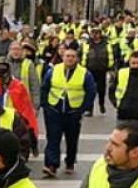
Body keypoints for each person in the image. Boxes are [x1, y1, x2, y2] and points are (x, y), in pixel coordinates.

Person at [39, 45, 96, 177]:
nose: (70, 59)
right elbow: (45, 87)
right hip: (54, 110)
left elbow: (91, 92)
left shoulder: (84, 73)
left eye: (72, 56)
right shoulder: (53, 70)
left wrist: (83, 109)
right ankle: (51, 165)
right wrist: (45, 105)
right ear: (63, 57)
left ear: (76, 59)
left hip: (73, 112)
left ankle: (70, 161)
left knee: (71, 139)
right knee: (53, 138)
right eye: (67, 56)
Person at [81, 29, 114, 116]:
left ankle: (101, 103)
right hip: (89, 70)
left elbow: (111, 56)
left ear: (100, 34)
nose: (95, 35)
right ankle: (89, 109)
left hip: (102, 70)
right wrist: (83, 67)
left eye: (97, 33)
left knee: (101, 89)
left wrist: (110, 67)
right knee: (89, 90)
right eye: (93, 33)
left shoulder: (107, 44)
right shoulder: (86, 44)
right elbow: (82, 55)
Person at [6, 40, 41, 109]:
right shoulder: (5, 63)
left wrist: (36, 105)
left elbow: (34, 86)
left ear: (22, 51)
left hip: (25, 102)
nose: (15, 51)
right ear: (9, 51)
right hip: (9, 104)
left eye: (18, 49)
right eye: (13, 49)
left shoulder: (29, 64)